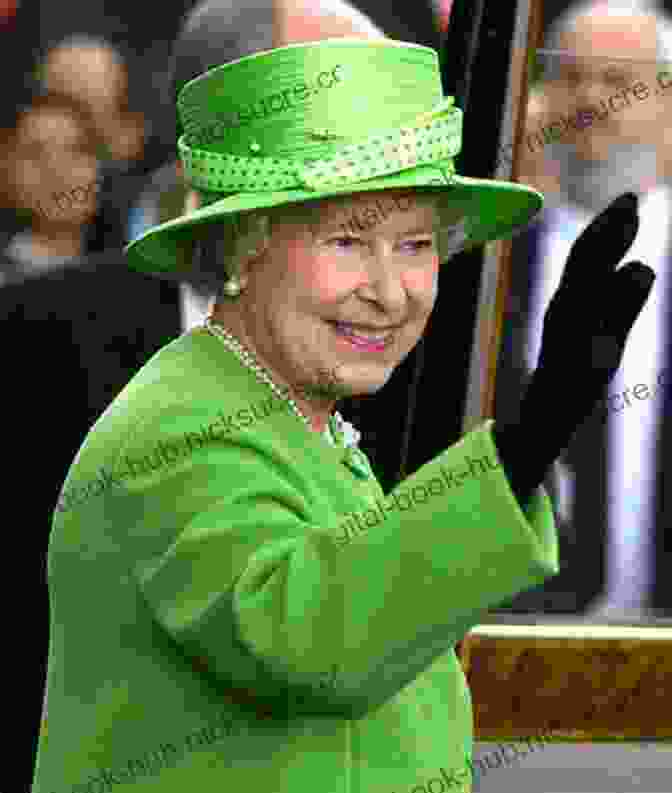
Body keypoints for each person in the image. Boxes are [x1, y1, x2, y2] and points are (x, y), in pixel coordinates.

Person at [31, 33, 654, 793]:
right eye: (349, 241)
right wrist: (525, 446)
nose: (390, 291)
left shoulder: (289, 414)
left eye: (416, 244)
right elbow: (314, 635)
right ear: (245, 246)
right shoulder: (184, 429)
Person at [494, 0, 672, 618]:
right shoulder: (486, 264)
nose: (589, 99)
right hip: (518, 651)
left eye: (619, 81)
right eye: (569, 77)